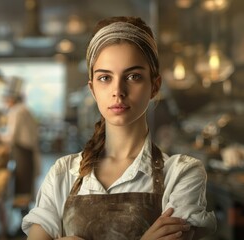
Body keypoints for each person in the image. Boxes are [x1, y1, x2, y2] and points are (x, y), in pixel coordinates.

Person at [21, 16, 216, 239]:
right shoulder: (63, 173)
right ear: (93, 89)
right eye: (105, 77)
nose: (118, 91)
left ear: (155, 86)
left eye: (133, 76)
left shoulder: (182, 174)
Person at [0, 79, 40, 200]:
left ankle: (24, 214)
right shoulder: (23, 109)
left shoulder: (16, 111)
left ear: (11, 99)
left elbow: (11, 136)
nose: (6, 103)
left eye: (7, 100)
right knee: (26, 183)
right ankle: (25, 211)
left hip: (23, 151)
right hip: (27, 150)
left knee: (23, 184)